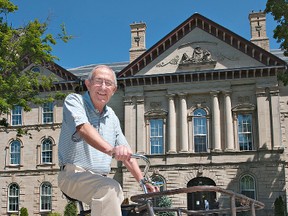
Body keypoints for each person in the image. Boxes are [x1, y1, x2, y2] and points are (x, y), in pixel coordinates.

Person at [58, 65, 157, 216]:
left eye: (108, 83)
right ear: (88, 84)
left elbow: (127, 154)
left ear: (114, 90)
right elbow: (84, 129)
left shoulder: (112, 117)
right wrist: (111, 150)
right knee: (110, 189)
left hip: (99, 179)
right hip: (72, 175)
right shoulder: (75, 100)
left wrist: (143, 180)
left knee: (118, 194)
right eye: (98, 81)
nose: (103, 87)